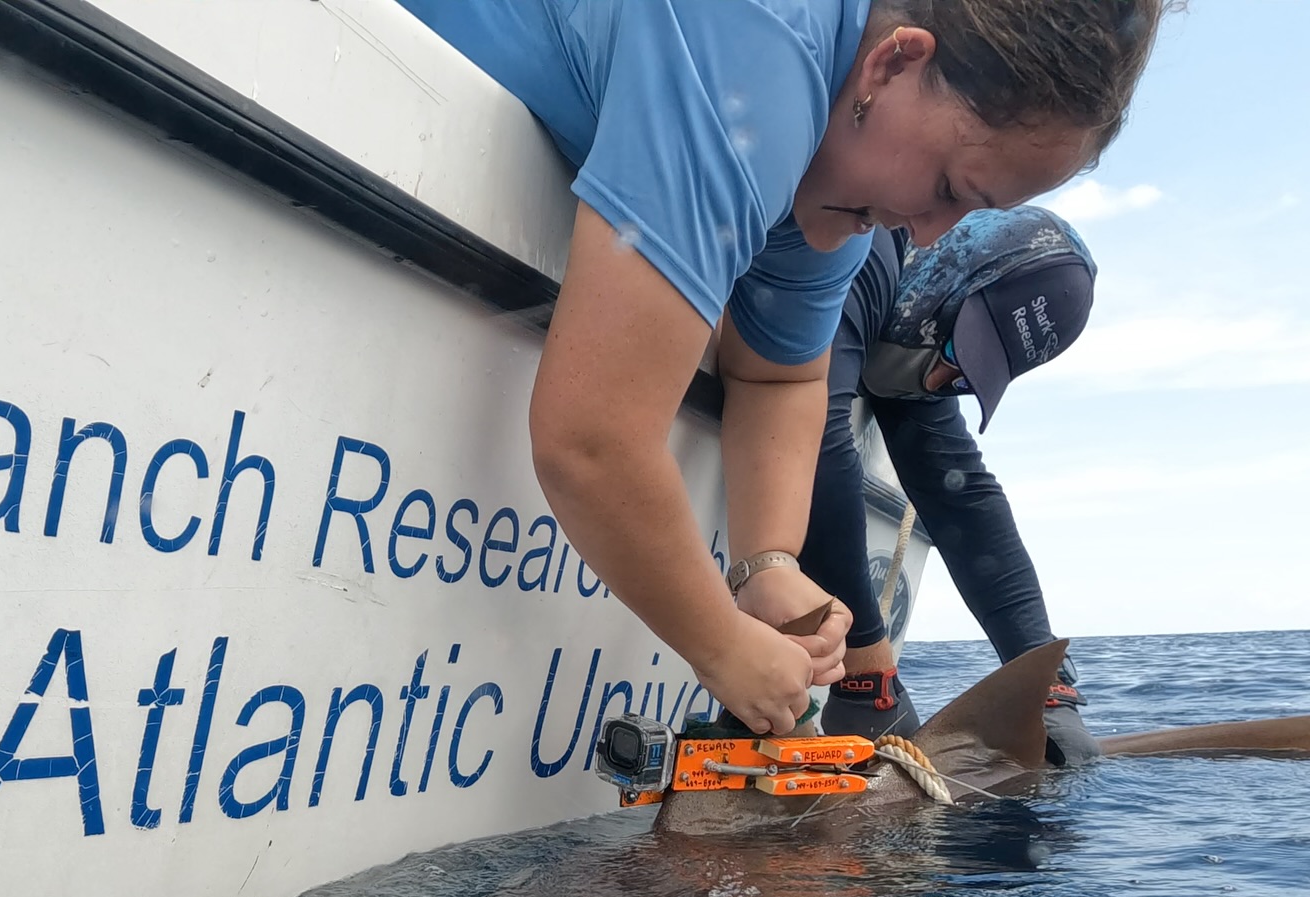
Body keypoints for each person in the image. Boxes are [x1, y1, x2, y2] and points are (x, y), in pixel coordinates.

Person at [395, 0, 1174, 735]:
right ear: (891, 66)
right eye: (948, 189)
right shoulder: (760, 53)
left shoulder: (837, 189)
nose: (932, 236)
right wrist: (720, 645)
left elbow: (783, 378)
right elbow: (591, 439)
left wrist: (766, 565)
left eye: (974, 214)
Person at [805, 208, 1101, 765]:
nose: (941, 380)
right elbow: (810, 438)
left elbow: (962, 498)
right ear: (941, 263)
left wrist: (1044, 678)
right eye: (955, 345)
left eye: (971, 372)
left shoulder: (921, 345)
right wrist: (868, 673)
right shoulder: (860, 250)